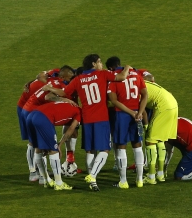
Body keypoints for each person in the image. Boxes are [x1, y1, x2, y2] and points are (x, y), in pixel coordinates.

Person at [51, 54, 131, 191]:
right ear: (94, 64)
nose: (101, 64)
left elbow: (63, 92)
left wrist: (49, 89)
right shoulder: (103, 74)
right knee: (105, 149)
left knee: (90, 150)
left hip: (86, 118)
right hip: (101, 118)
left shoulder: (78, 80)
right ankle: (93, 175)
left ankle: (92, 181)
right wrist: (127, 67)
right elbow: (122, 77)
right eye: (99, 62)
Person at [106, 59, 149, 188]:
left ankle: (123, 181)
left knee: (121, 146)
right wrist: (140, 112)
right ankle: (140, 180)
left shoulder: (114, 79)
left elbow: (113, 101)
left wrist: (131, 113)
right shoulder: (137, 75)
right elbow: (145, 95)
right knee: (137, 146)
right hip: (137, 114)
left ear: (112, 69)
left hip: (122, 115)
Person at [26, 100, 82, 191]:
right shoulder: (79, 113)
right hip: (43, 118)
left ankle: (46, 180)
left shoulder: (70, 104)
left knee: (38, 148)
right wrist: (60, 144)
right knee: (54, 151)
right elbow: (71, 128)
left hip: (31, 115)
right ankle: (59, 183)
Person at [139, 73, 178, 185]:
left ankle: (151, 176)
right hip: (173, 104)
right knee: (160, 140)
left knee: (150, 141)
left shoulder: (135, 88)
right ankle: (160, 174)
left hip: (164, 108)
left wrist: (146, 127)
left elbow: (144, 112)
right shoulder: (144, 83)